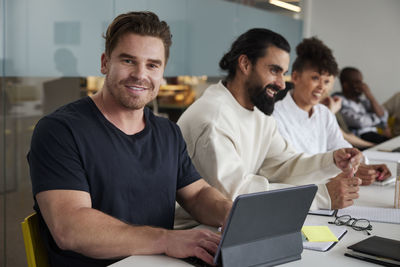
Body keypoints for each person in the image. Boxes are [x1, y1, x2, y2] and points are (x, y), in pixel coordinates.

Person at [27, 11, 232, 267]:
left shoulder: (167, 132)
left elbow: (197, 193)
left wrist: (232, 214)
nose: (140, 74)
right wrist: (167, 240)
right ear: (104, 63)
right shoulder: (59, 131)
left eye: (152, 65)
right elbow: (71, 227)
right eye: (128, 60)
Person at [175, 28, 363, 229]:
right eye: (274, 70)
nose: (282, 84)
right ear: (245, 64)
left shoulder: (258, 114)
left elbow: (285, 164)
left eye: (283, 73)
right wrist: (322, 196)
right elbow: (236, 196)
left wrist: (332, 160)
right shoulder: (213, 119)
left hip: (233, 227)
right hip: (194, 232)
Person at [273, 37, 391, 187]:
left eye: (327, 81)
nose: (321, 87)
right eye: (315, 78)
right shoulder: (276, 116)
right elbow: (291, 170)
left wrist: (362, 165)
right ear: (295, 77)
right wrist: (344, 171)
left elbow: (340, 146)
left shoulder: (323, 113)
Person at [338, 67, 390, 144]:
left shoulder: (362, 100)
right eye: (357, 82)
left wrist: (370, 96)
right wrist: (377, 119)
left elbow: (383, 115)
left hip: (375, 134)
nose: (362, 85)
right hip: (360, 138)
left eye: (361, 82)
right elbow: (359, 122)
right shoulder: (339, 101)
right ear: (346, 85)